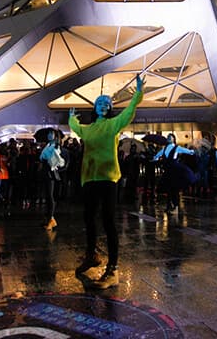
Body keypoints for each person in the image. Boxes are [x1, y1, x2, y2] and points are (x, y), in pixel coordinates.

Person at [68, 74, 144, 290]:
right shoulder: (88, 129)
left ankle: (113, 269)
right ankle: (91, 255)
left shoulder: (113, 124)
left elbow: (128, 112)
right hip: (89, 178)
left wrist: (137, 94)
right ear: (95, 108)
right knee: (89, 219)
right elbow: (76, 127)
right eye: (99, 103)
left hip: (108, 178)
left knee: (109, 221)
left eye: (106, 103)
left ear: (110, 108)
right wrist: (71, 118)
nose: (103, 105)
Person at [153, 133, 197, 212]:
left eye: (170, 137)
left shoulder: (177, 147)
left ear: (174, 139)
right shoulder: (165, 148)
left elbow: (185, 151)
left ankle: (175, 204)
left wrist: (192, 151)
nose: (169, 138)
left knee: (174, 188)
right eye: (168, 137)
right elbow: (159, 154)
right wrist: (155, 158)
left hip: (174, 170)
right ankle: (169, 205)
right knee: (168, 188)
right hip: (167, 171)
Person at [39, 130, 65, 230]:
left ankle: (50, 219)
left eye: (51, 134)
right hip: (45, 172)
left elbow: (59, 162)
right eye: (49, 133)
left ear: (55, 136)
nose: (49, 135)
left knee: (50, 196)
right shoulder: (49, 145)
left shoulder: (55, 146)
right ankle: (50, 218)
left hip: (50, 172)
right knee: (47, 195)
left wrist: (51, 161)